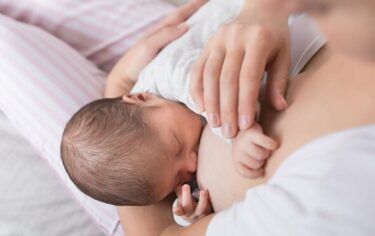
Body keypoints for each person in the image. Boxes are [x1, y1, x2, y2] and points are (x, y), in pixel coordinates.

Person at [117, 0, 375, 235]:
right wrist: (262, 10)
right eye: (180, 177)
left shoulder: (325, 196)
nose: (192, 164)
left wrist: (120, 84)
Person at [60, 0, 280, 210]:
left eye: (177, 146)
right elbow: (191, 188)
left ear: (142, 98)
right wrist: (188, 209)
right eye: (179, 177)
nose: (192, 166)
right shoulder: (163, 145)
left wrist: (237, 134)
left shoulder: (165, 73)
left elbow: (210, 88)